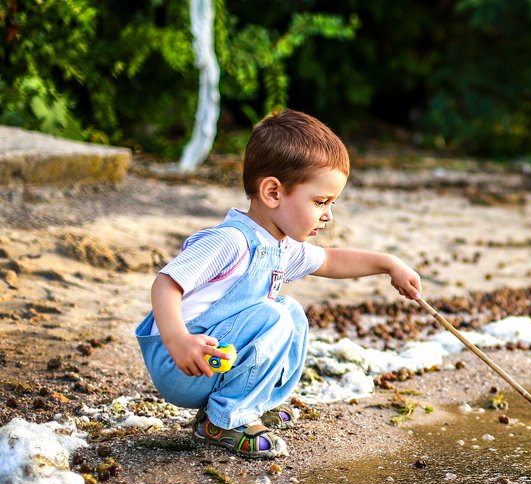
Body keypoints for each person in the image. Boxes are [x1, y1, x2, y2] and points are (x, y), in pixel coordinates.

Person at [135, 109, 421, 458]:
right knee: (274, 316)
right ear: (272, 192)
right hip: (183, 361)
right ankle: (221, 422)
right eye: (320, 202)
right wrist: (178, 339)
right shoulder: (231, 241)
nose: (329, 215)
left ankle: (251, 403)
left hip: (216, 359)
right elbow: (166, 283)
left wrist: (388, 264)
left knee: (291, 311)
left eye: (332, 203)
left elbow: (329, 260)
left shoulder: (281, 245)